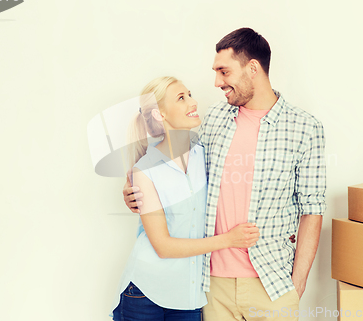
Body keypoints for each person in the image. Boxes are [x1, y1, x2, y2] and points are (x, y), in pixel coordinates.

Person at [124, 28, 326, 321]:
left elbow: (313, 208)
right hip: (211, 285)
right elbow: (169, 160)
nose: (217, 82)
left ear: (252, 68)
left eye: (224, 71)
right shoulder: (215, 119)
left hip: (271, 284)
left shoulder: (305, 129)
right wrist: (131, 186)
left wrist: (298, 283)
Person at [111, 76, 260, 321]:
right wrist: (228, 240)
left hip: (188, 296)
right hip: (145, 293)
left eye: (189, 94)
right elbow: (163, 246)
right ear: (160, 115)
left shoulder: (205, 154)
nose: (193, 102)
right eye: (182, 98)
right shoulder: (145, 170)